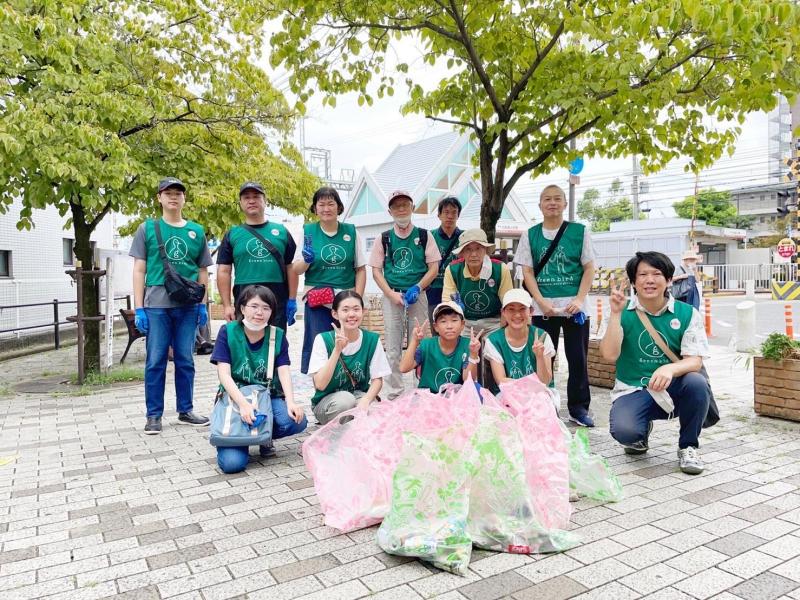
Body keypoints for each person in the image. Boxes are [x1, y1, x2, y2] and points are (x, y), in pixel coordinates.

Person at [599, 251, 710, 475]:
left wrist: (670, 368)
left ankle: (688, 446)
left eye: (657, 273)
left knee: (697, 383)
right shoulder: (621, 313)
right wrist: (616, 315)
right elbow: (609, 355)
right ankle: (640, 433)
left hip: (673, 387)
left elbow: (695, 361)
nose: (650, 280)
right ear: (633, 281)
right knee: (626, 432)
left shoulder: (687, 313)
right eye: (642, 274)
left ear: (669, 279)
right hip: (633, 389)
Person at [130, 177, 212, 435]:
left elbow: (202, 271)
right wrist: (139, 307)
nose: (173, 197)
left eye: (178, 193)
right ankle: (153, 415)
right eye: (168, 193)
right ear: (159, 198)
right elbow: (139, 269)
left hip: (187, 305)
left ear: (184, 198)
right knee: (155, 360)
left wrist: (202, 305)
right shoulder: (148, 228)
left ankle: (185, 410)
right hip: (156, 305)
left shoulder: (197, 231)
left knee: (186, 359)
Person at [515, 184, 596, 427]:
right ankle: (543, 405)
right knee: (541, 357)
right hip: (543, 309)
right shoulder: (530, 234)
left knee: (578, 358)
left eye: (557, 199)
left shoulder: (579, 232)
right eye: (547, 199)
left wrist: (579, 299)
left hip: (575, 308)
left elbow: (589, 267)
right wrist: (540, 302)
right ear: (540, 205)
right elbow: (526, 271)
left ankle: (578, 408)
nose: (552, 203)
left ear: (565, 204)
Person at [211, 285, 307, 473]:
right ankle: (238, 438)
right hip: (236, 397)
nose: (259, 312)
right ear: (242, 308)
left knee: (296, 420)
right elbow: (224, 374)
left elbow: (284, 370)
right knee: (232, 465)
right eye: (254, 306)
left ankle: (263, 438)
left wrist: (291, 402)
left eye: (266, 307)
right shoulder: (227, 331)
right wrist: (244, 405)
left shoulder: (277, 335)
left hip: (266, 396)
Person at [369, 190, 441, 399]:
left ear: (412, 208)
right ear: (390, 211)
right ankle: (395, 393)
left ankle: (421, 389)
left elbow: (433, 267)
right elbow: (376, 270)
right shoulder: (384, 238)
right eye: (396, 206)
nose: (401, 209)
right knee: (392, 346)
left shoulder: (424, 235)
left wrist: (418, 287)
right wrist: (390, 294)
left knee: (419, 342)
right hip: (393, 295)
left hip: (417, 294)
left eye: (405, 205)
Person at [293, 187, 367, 374]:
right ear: (315, 208)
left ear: (339, 207)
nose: (326, 208)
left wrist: (357, 299)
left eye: (331, 203)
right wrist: (306, 260)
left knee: (348, 342)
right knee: (318, 342)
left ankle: (348, 381)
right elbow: (296, 269)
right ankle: (321, 386)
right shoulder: (308, 232)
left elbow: (360, 269)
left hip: (345, 299)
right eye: (321, 204)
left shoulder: (351, 232)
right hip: (317, 300)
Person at [216, 182, 299, 329]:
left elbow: (291, 267)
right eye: (246, 197)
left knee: (275, 341)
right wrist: (227, 305)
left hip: (277, 295)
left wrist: (292, 299)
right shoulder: (232, 234)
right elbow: (224, 271)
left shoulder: (281, 231)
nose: (252, 201)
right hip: (244, 295)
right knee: (244, 341)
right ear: (241, 203)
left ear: (264, 201)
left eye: (256, 196)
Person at [308, 291, 392, 425]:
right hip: (327, 403)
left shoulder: (372, 339)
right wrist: (337, 350)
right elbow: (320, 384)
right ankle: (337, 438)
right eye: (345, 310)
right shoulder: (323, 339)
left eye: (356, 309)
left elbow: (377, 379)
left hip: (358, 395)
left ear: (363, 311)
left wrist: (366, 400)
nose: (351, 314)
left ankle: (359, 439)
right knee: (345, 401)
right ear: (335, 314)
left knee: (376, 409)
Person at [399, 301, 481, 393]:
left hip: (457, 398)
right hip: (428, 398)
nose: (449, 326)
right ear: (436, 327)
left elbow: (469, 380)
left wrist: (473, 355)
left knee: (477, 390)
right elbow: (403, 368)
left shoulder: (467, 345)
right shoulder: (426, 345)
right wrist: (414, 341)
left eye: (454, 320)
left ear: (462, 325)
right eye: (443, 321)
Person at [442, 228, 513, 333]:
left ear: (485, 250)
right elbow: (447, 302)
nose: (474, 254)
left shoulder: (501, 269)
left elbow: (508, 303)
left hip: (494, 322)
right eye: (468, 249)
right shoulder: (452, 270)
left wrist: (502, 333)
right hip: (464, 322)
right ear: (461, 253)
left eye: (478, 248)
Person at [485, 289, 555, 394]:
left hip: (539, 394)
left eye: (522, 309)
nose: (517, 315)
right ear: (503, 312)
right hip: (508, 394)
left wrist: (539, 356)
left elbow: (545, 382)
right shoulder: (494, 340)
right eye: (511, 309)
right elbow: (501, 381)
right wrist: (531, 385)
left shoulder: (542, 337)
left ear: (531, 311)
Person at [426, 197, 463, 324]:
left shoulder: (464, 237)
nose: (450, 216)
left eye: (454, 212)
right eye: (446, 212)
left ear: (458, 215)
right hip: (434, 288)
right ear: (439, 215)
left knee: (458, 326)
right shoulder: (430, 236)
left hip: (457, 290)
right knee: (437, 324)